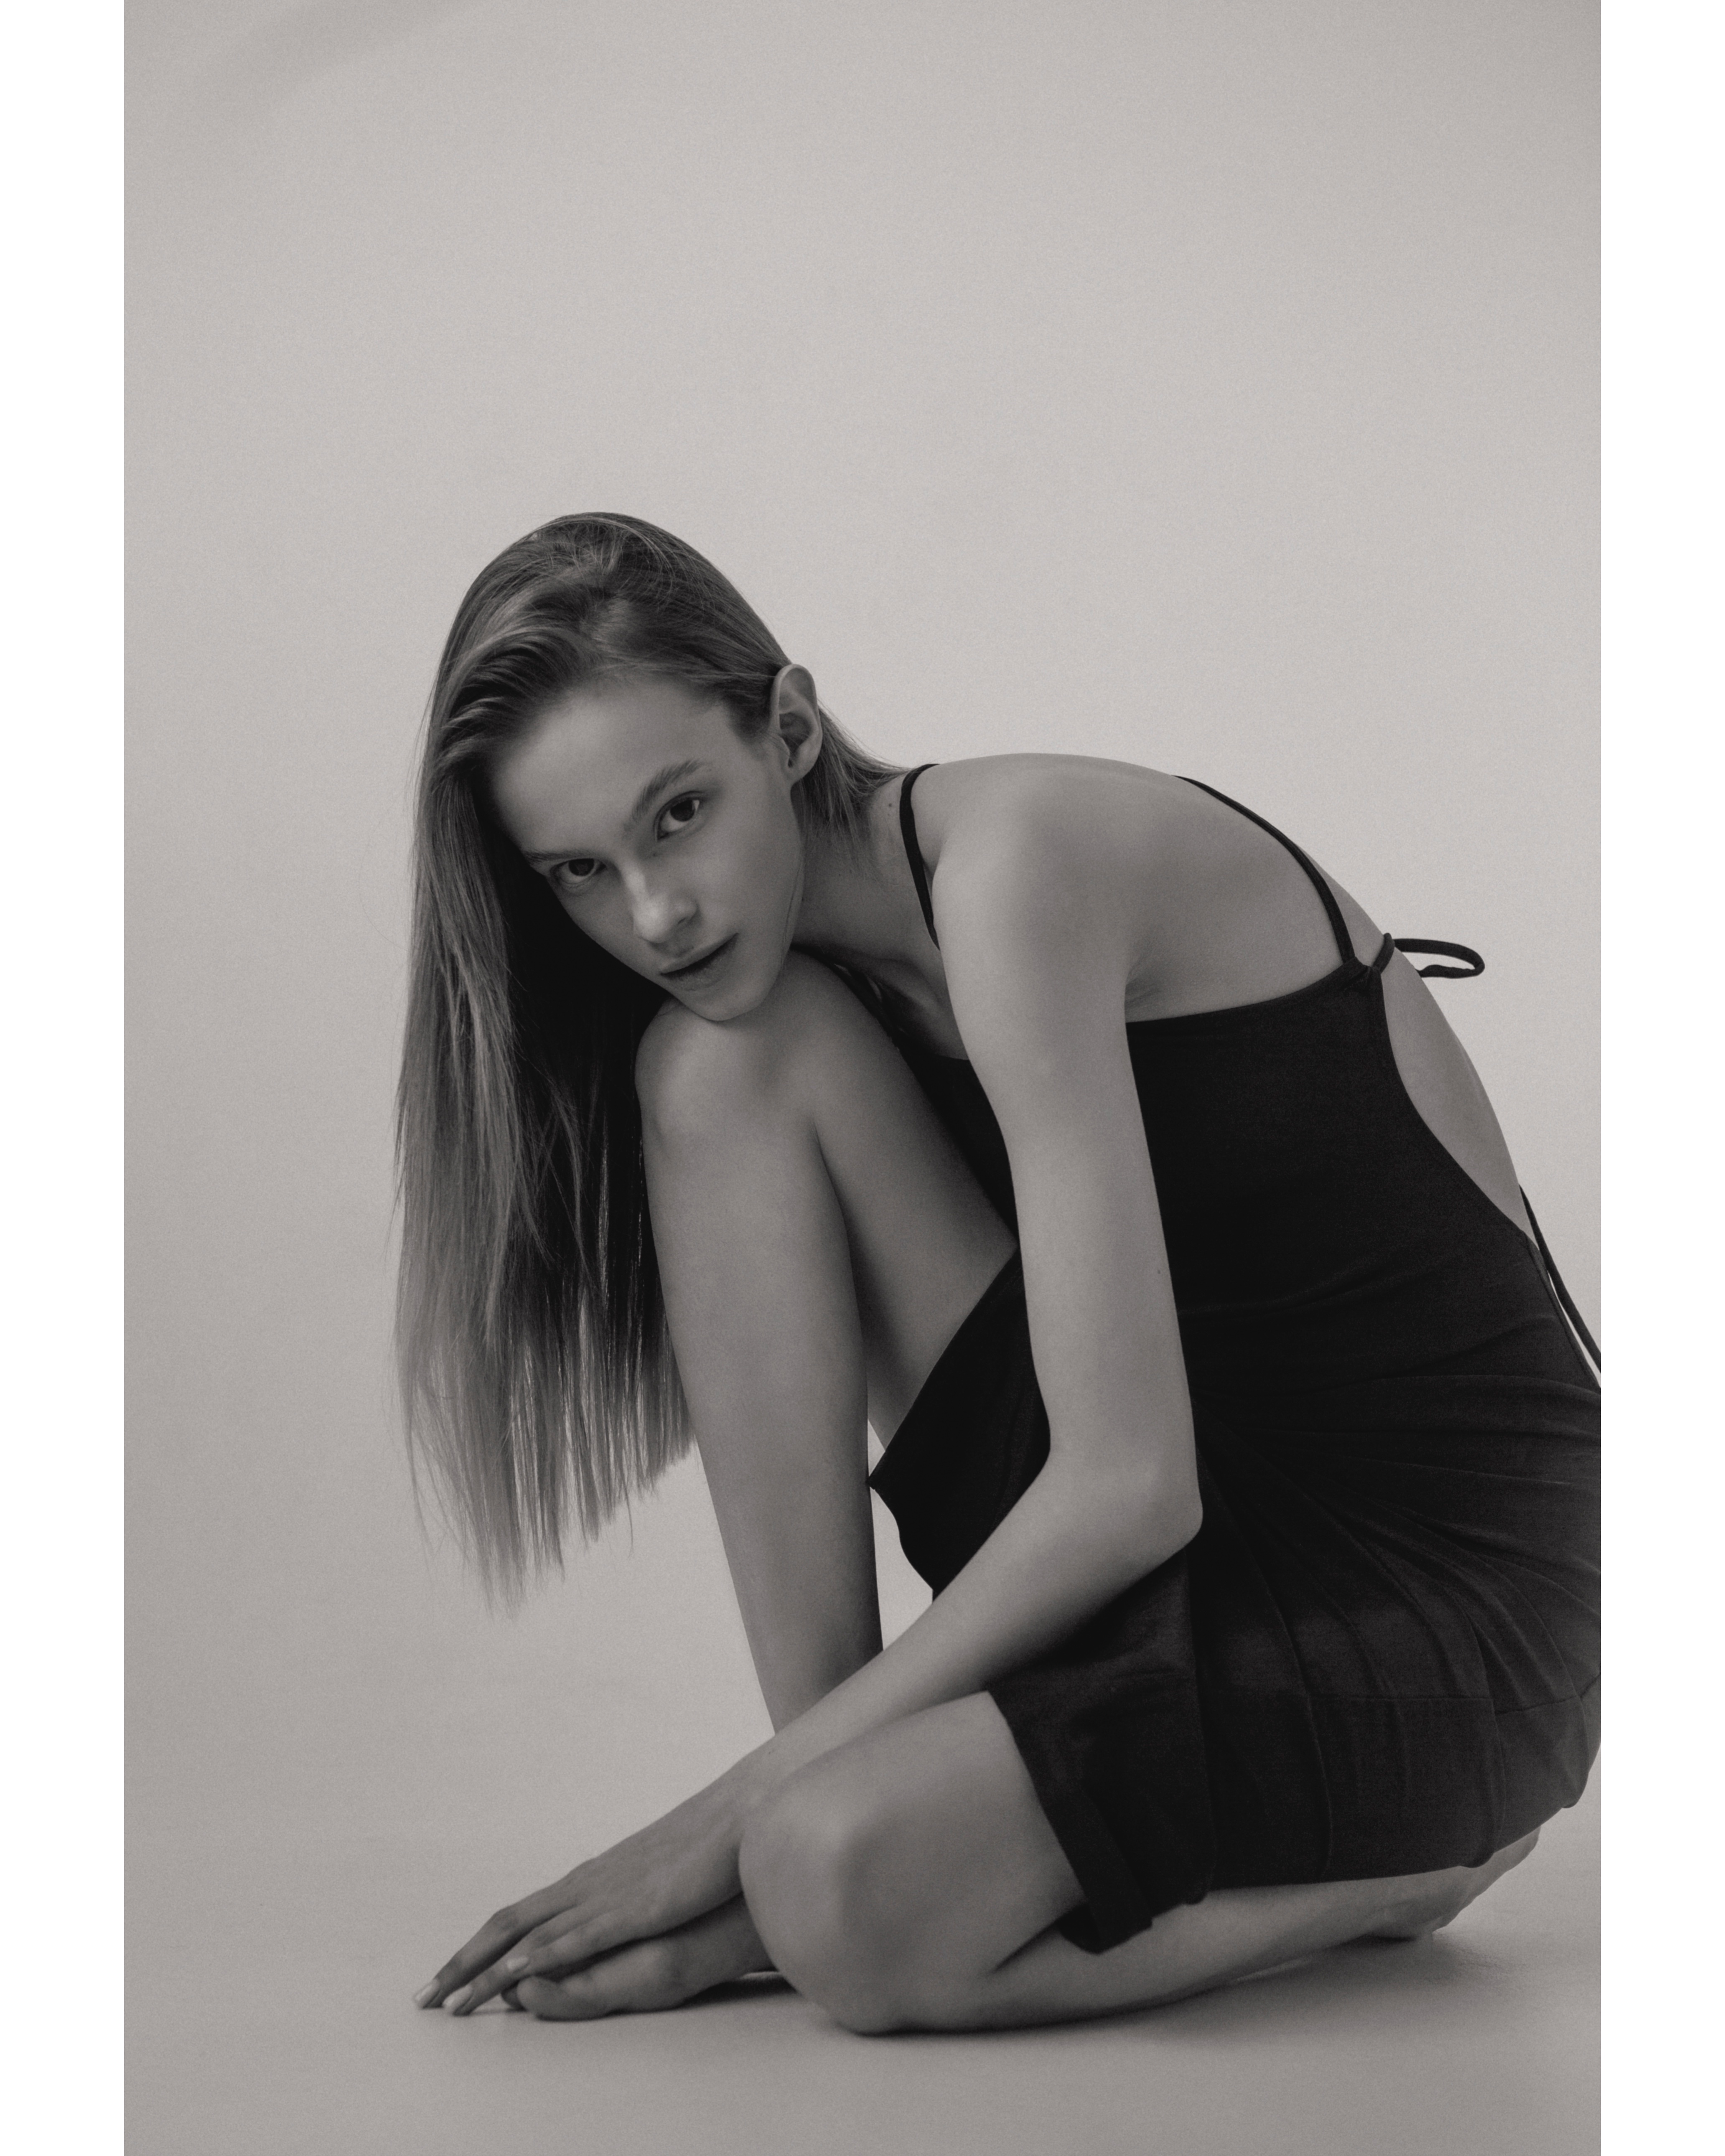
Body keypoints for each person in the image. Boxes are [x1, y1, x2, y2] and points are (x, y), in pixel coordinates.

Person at [399, 513, 1599, 2033]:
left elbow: (1128, 1486)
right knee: (717, 1069)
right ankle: (831, 1836)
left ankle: (1421, 1860)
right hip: (1201, 1541)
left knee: (829, 1881)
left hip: (1449, 1596)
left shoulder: (1014, 870)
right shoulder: (798, 994)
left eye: (681, 813)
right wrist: (795, 1808)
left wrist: (712, 1832)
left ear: (789, 728)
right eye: (582, 871)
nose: (655, 913)